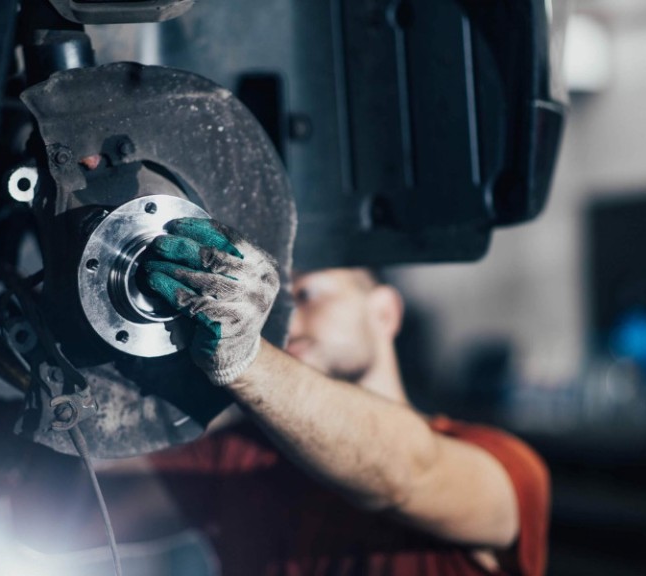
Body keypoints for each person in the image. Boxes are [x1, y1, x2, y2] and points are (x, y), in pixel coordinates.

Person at [134, 217, 550, 575]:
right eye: (270, 305)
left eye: (305, 296)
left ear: (384, 311)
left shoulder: (506, 465)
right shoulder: (235, 457)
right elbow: (83, 510)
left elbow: (406, 475)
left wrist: (248, 359)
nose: (282, 323)